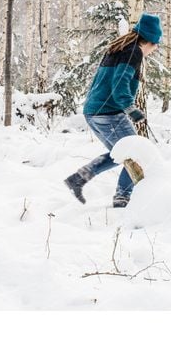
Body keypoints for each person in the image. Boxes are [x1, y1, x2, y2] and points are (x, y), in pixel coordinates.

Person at [64, 12, 161, 208]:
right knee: (135, 154)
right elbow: (120, 83)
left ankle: (79, 178)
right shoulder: (133, 52)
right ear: (150, 41)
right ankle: (123, 199)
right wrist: (130, 107)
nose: (155, 49)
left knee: (118, 154)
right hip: (108, 113)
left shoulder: (120, 47)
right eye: (156, 45)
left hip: (93, 111)